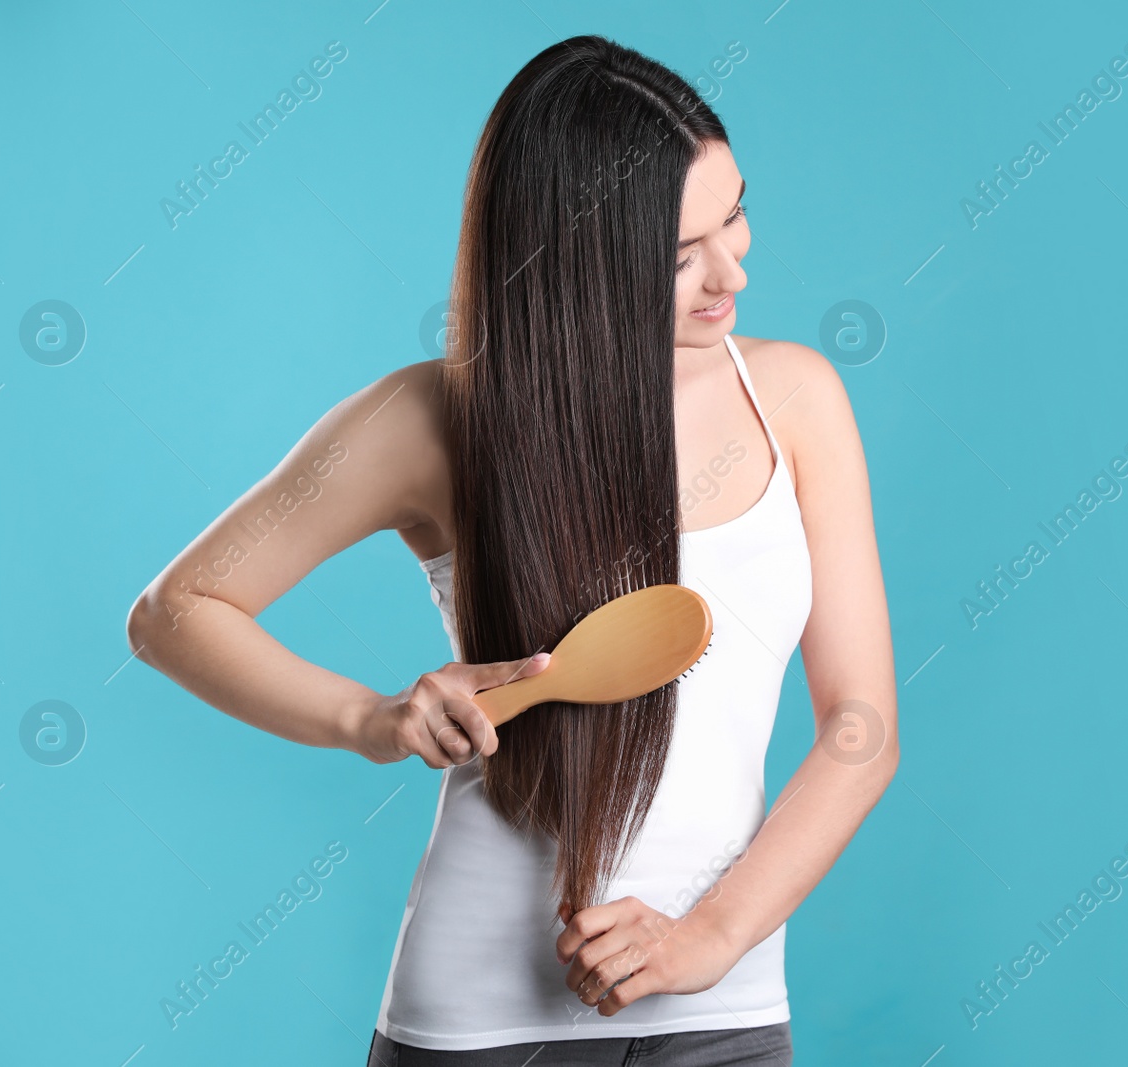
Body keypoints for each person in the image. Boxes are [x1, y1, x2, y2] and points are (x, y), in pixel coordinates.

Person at [125, 33, 897, 1067]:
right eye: (677, 255)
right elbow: (175, 609)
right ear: (576, 255)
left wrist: (708, 935)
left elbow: (860, 725)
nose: (731, 270)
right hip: (481, 1021)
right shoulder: (431, 419)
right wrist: (374, 717)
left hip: (725, 1002)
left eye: (736, 213)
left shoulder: (795, 396)